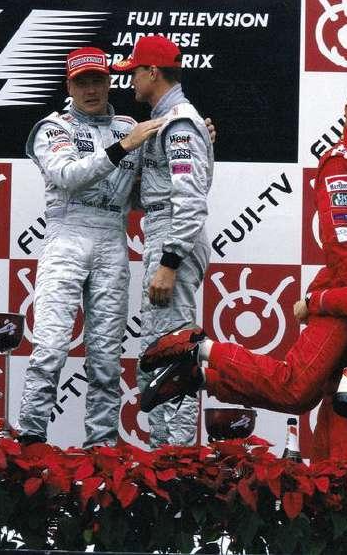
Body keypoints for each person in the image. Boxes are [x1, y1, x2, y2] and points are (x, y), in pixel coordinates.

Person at [136, 55, 347, 424]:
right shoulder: (341, 164)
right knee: (293, 385)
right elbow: (341, 245)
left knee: (302, 397)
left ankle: (202, 376)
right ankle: (197, 347)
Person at [141, 214, 347, 462]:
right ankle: (201, 361)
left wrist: (316, 302)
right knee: (329, 466)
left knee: (340, 475)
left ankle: (199, 362)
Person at [17, 47, 162, 447]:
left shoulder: (128, 126)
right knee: (50, 348)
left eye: (97, 80)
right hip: (67, 235)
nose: (91, 89)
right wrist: (124, 147)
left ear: (110, 81)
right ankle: (30, 443)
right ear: (69, 86)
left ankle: (102, 450)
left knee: (105, 359)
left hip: (113, 238)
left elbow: (148, 191)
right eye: (82, 82)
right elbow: (68, 175)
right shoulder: (53, 127)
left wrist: (200, 141)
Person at [112, 34, 214, 448]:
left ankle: (177, 462)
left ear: (153, 72)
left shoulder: (179, 123)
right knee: (160, 353)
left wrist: (169, 262)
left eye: (134, 71)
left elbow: (190, 200)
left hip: (174, 236)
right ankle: (166, 456)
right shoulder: (170, 120)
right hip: (166, 230)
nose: (130, 80)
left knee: (172, 355)